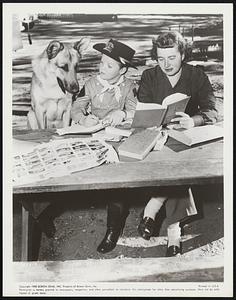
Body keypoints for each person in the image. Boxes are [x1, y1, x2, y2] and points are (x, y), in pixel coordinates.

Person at [137, 31, 218, 257]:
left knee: (179, 164)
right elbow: (143, 110)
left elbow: (213, 109)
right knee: (172, 164)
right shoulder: (150, 76)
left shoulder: (196, 75)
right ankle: (174, 229)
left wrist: (193, 120)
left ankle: (154, 209)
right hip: (158, 138)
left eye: (172, 58)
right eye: (160, 59)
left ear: (183, 54)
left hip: (187, 138)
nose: (166, 64)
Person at [71, 39, 138, 253]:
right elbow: (77, 107)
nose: (102, 68)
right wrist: (83, 120)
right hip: (93, 137)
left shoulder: (129, 87)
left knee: (117, 182)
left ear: (123, 69)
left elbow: (138, 112)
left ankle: (112, 228)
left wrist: (124, 113)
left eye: (109, 66)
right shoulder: (91, 84)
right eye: (101, 62)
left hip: (118, 140)